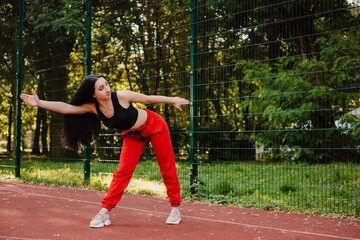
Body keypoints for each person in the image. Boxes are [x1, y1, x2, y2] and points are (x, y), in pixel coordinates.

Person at [20, 73, 189, 227]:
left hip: (154, 125)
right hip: (132, 136)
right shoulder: (93, 107)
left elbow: (147, 99)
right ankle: (104, 212)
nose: (107, 89)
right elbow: (65, 107)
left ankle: (175, 208)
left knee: (166, 166)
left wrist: (172, 99)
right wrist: (39, 103)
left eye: (107, 84)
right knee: (122, 172)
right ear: (93, 94)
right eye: (101, 88)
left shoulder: (122, 96)